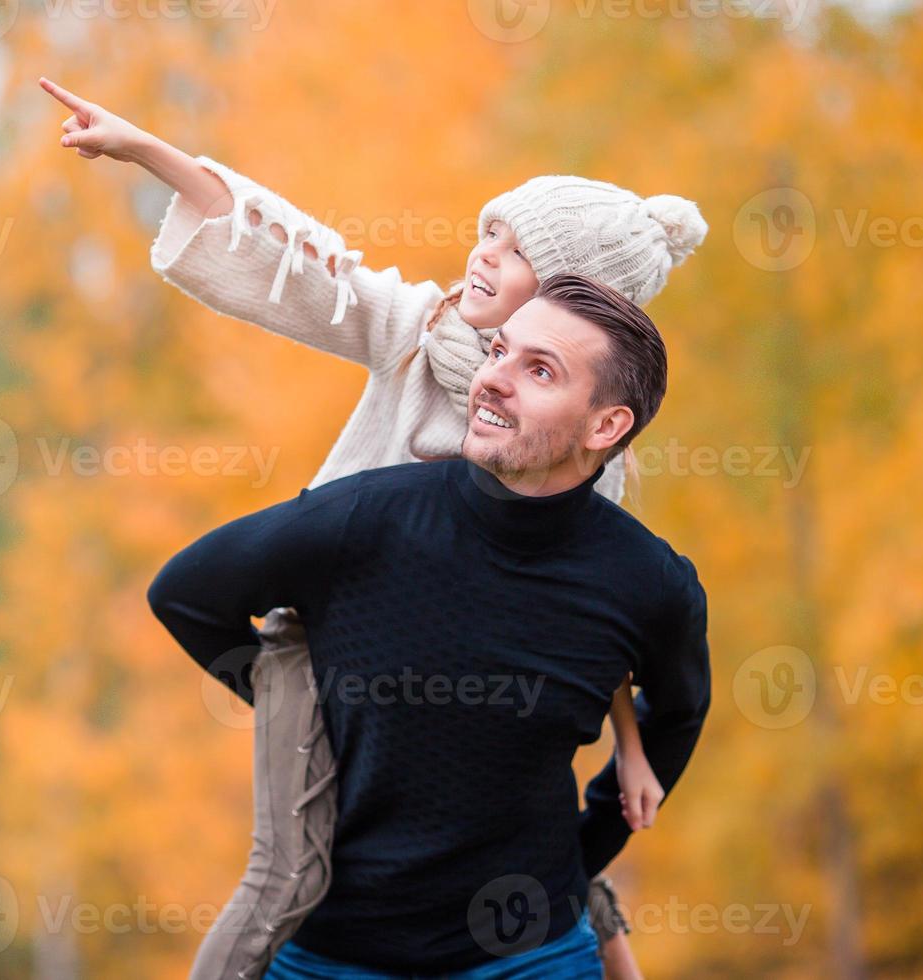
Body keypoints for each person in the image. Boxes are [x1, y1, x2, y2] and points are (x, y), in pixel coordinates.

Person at [39, 76, 706, 978]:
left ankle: (587, 921)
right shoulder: (413, 330)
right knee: (286, 874)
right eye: (489, 231)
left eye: (514, 256)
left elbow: (592, 629)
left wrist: (629, 747)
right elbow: (295, 258)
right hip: (329, 642)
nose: (483, 257)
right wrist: (151, 152)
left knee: (531, 809)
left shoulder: (594, 468)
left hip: (484, 679)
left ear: (582, 310)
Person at [148, 274, 712, 977]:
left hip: (532, 954)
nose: (494, 379)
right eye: (499, 352)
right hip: (334, 954)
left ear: (606, 426)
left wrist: (584, 850)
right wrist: (302, 709)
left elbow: (680, 711)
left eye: (538, 370)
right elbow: (186, 594)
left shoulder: (648, 582)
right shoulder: (361, 520)